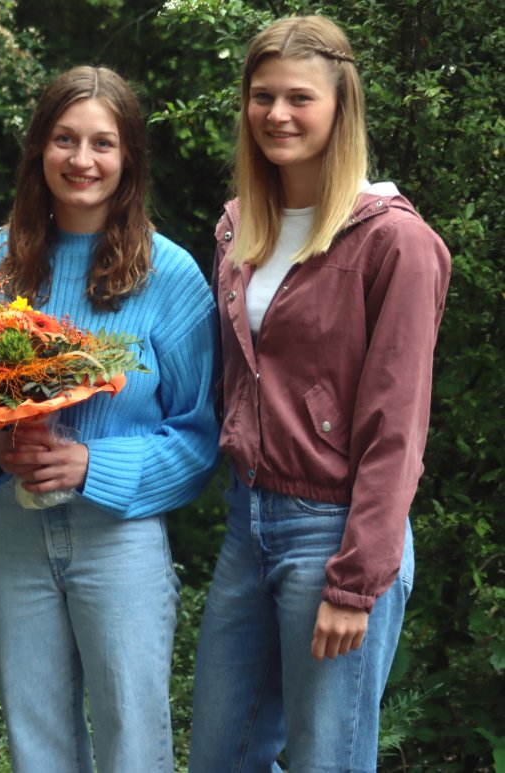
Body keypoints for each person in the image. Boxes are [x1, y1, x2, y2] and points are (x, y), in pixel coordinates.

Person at [0, 66, 221, 772]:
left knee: (133, 740)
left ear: (129, 160)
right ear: (40, 148)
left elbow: (200, 433)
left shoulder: (172, 275)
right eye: (65, 139)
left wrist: (95, 465)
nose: (82, 160)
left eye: (103, 143)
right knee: (37, 742)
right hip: (15, 536)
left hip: (118, 539)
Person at [188, 15, 451, 772]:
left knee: (324, 761)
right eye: (261, 96)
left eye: (299, 98)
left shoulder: (394, 243)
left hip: (335, 533)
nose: (276, 114)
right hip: (250, 523)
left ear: (341, 108)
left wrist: (357, 578)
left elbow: (397, 424)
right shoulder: (242, 230)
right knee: (220, 756)